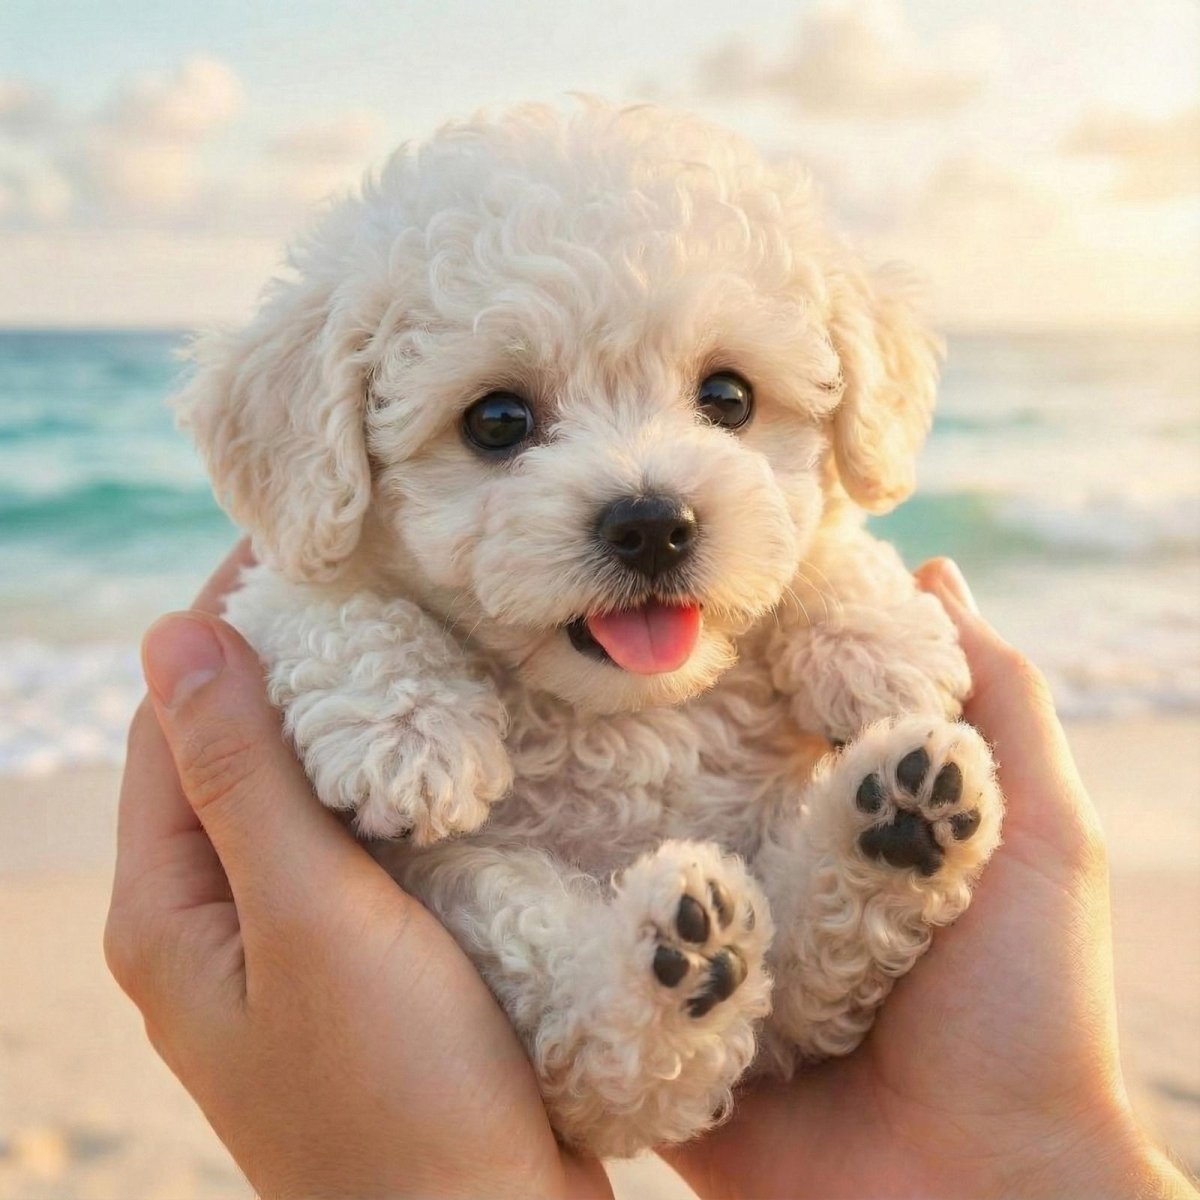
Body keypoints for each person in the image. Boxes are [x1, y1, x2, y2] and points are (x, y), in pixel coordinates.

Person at [104, 547, 1195, 1199]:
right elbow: (303, 595)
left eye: (721, 397)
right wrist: (379, 685)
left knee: (791, 856)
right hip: (526, 907)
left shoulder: (775, 549)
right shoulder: (344, 558)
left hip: (761, 873)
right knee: (472, 890)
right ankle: (620, 1023)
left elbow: (826, 544)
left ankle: (849, 890)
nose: (648, 498)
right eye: (502, 424)